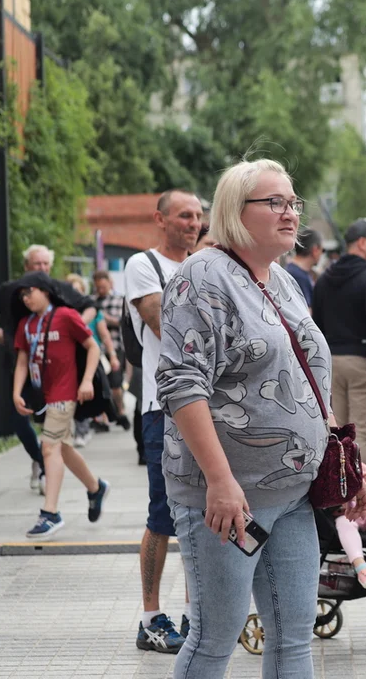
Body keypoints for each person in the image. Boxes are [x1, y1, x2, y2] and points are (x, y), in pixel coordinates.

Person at [156, 158, 366, 678]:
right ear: (235, 210)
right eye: (274, 202)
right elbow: (182, 384)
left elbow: (310, 381)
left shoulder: (283, 280)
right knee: (215, 639)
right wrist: (220, 480)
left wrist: (345, 467)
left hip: (295, 495)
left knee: (295, 638)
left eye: (293, 202)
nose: (290, 213)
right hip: (230, 501)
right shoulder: (202, 277)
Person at [124, 189, 204, 653]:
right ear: (161, 219)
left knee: (202, 515)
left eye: (198, 216)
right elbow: (163, 325)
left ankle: (198, 615)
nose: (192, 223)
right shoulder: (144, 266)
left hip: (209, 412)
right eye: (183, 215)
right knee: (164, 515)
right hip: (163, 408)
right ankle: (151, 618)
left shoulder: (204, 263)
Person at [0, 244, 96, 495]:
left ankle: (50, 504)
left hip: (58, 378)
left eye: (45, 264)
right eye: (36, 264)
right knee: (28, 427)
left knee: (53, 444)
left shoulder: (59, 294)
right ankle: (83, 482)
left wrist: (71, 331)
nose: (41, 268)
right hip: (25, 366)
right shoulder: (14, 293)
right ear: (26, 267)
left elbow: (90, 307)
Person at [11, 273, 110, 538]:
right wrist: (15, 392)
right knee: (62, 448)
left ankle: (50, 513)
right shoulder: (26, 324)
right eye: (22, 295)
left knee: (49, 447)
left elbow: (92, 347)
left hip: (65, 394)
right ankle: (95, 487)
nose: (26, 297)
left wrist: (87, 380)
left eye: (30, 291)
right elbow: (22, 360)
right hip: (43, 395)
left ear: (46, 290)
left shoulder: (66, 316)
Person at [313, 217, 366, 466]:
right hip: (364, 361)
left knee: (340, 436)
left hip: (333, 362)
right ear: (362, 243)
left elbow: (317, 324)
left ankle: (343, 499)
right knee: (361, 436)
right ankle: (364, 499)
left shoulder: (326, 277)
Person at [66, 273, 119, 445]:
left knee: (93, 390)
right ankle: (82, 427)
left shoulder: (93, 311)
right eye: (70, 290)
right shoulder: (62, 312)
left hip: (90, 356)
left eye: (77, 291)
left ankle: (88, 426)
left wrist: (112, 355)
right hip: (69, 356)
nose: (74, 294)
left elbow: (104, 335)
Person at [92, 270, 129, 425]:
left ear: (109, 282)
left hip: (115, 346)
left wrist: (103, 318)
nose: (100, 289)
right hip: (96, 349)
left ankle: (120, 411)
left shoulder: (119, 300)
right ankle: (105, 418)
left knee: (115, 384)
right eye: (98, 287)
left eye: (103, 286)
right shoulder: (92, 301)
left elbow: (123, 321)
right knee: (101, 385)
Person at [285, 228, 322, 309]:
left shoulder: (290, 271)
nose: (321, 254)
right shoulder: (299, 276)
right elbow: (307, 312)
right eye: (322, 250)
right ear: (315, 250)